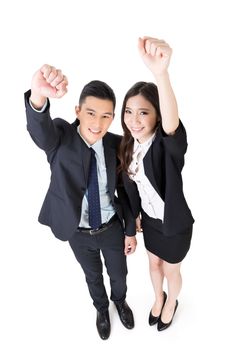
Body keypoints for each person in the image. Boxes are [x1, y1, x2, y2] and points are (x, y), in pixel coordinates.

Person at [24, 64, 137, 340]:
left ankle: (119, 302)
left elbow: (126, 190)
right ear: (77, 111)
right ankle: (101, 309)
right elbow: (41, 132)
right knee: (92, 275)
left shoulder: (116, 144)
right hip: (77, 230)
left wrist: (130, 230)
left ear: (113, 118)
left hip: (111, 227)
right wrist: (38, 96)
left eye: (105, 116)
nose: (97, 123)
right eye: (90, 113)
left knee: (119, 274)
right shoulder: (60, 138)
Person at [118, 37, 194, 331]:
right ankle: (157, 297)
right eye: (128, 111)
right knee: (153, 265)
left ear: (157, 116)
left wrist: (160, 74)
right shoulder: (126, 147)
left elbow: (172, 126)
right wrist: (135, 215)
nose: (134, 120)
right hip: (149, 223)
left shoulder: (165, 146)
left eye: (143, 112)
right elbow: (128, 188)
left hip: (174, 224)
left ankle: (172, 301)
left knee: (172, 269)